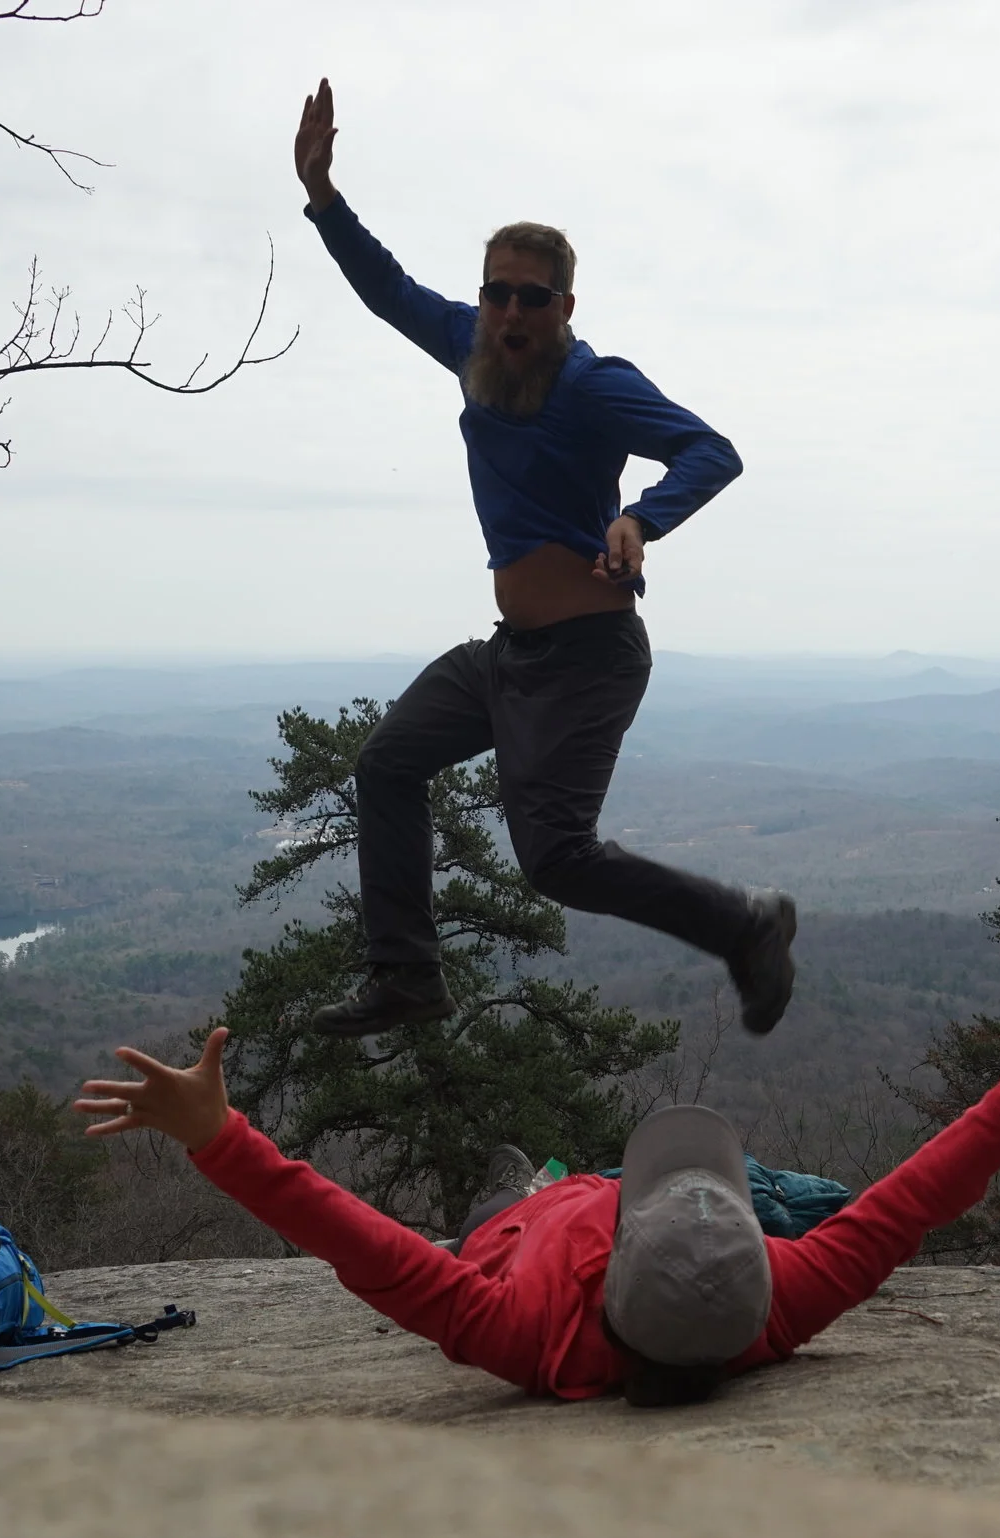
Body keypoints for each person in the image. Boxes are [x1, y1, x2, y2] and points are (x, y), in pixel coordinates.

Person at [76, 956, 1000, 1407]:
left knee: (516, 1196)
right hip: (731, 1222)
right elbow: (925, 1187)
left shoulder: (514, 1323)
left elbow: (355, 1237)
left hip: (524, 1229)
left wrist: (219, 1134)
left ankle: (541, 1184)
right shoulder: (773, 1295)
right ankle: (697, 1185)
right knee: (806, 1197)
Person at [288, 78, 798, 1040]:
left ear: (564, 304)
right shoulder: (473, 348)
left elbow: (711, 450)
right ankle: (407, 978)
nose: (509, 311)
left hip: (587, 659)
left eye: (530, 296)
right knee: (389, 763)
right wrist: (322, 195)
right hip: (507, 657)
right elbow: (387, 288)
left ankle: (747, 926)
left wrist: (644, 519)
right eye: (495, 292)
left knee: (554, 859)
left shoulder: (593, 384)